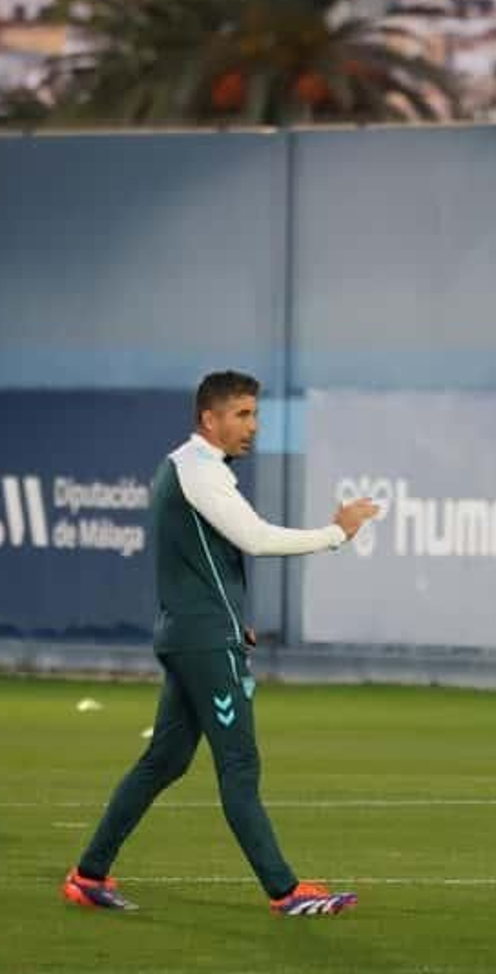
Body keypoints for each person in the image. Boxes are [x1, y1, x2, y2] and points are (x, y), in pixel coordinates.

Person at [62, 370, 378, 917]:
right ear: (210, 419)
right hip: (204, 640)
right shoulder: (200, 472)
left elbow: (198, 563)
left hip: (195, 633)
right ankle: (285, 891)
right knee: (239, 765)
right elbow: (254, 538)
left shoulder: (187, 467)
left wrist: (231, 617)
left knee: (163, 761)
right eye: (241, 415)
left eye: (254, 414)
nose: (252, 427)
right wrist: (337, 535)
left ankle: (89, 873)